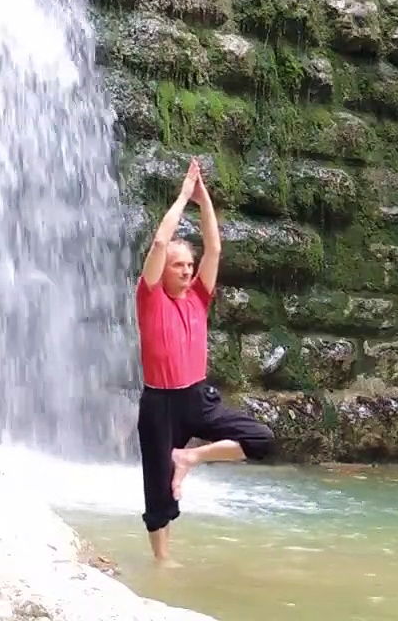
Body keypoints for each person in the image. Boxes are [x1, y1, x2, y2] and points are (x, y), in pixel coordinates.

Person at [134, 158, 275, 566]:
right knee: (157, 489)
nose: (186, 271)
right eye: (178, 265)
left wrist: (204, 198)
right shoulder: (149, 298)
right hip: (159, 403)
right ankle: (163, 561)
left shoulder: (198, 297)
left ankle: (190, 458)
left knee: (261, 439)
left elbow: (214, 247)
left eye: (189, 266)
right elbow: (159, 244)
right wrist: (182, 197)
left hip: (197, 398)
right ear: (164, 269)